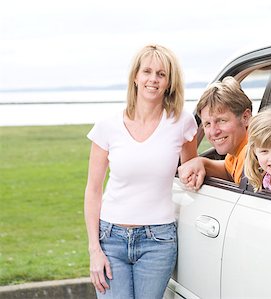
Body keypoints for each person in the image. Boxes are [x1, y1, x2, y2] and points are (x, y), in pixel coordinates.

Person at [84, 44, 198, 298]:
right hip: (110, 238)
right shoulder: (107, 126)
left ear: (169, 82)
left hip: (157, 240)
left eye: (161, 74)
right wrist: (95, 249)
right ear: (135, 77)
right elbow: (93, 190)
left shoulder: (182, 122)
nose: (153, 79)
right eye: (147, 71)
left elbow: (191, 171)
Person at [178, 76, 252, 190]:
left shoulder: (254, 155)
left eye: (222, 121)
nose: (214, 132)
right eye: (207, 124)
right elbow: (228, 170)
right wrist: (201, 162)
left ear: (245, 117)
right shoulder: (238, 151)